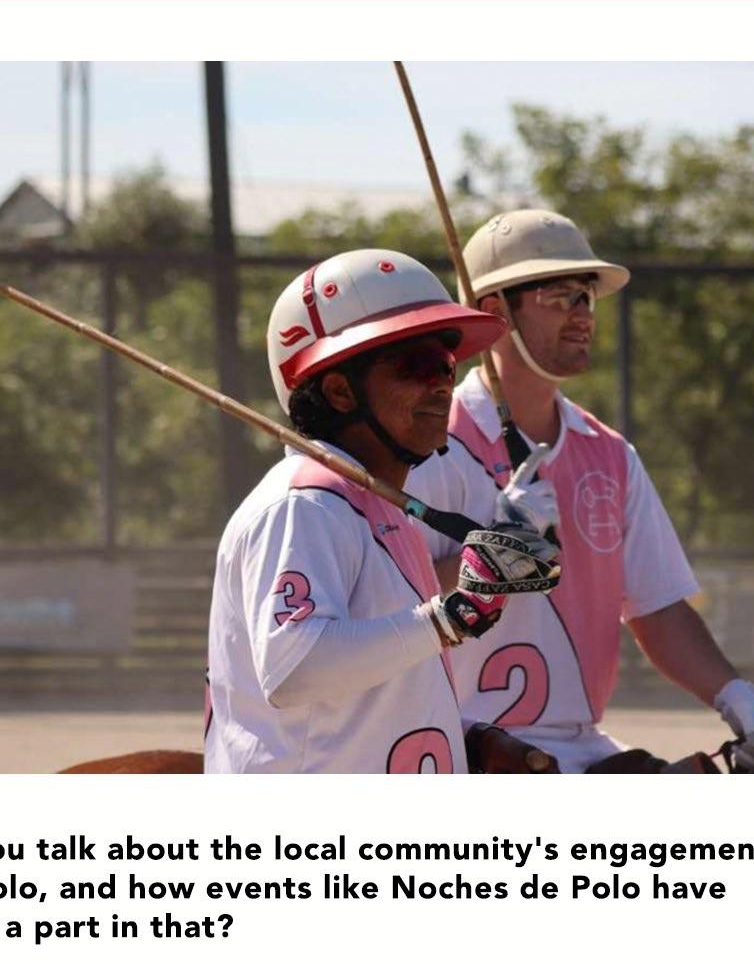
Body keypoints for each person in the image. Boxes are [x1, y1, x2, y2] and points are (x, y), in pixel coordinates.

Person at [405, 208, 754, 772]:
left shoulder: (609, 455)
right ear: (496, 313)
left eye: (587, 296)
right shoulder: (427, 448)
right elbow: (389, 605)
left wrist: (737, 697)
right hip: (460, 752)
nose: (583, 314)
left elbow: (657, 607)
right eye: (560, 296)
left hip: (580, 748)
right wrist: (490, 553)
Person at [204, 248, 559, 773]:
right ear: (339, 391)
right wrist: (449, 617)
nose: (441, 384)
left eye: (446, 364)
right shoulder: (302, 505)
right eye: (415, 365)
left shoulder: (374, 509)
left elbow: (371, 699)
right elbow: (295, 667)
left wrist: (467, 739)